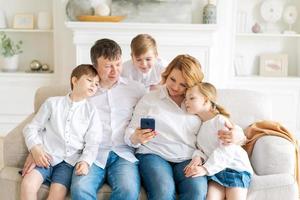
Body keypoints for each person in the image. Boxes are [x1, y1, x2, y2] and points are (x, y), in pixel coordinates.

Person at [125, 54, 246, 200]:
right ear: (167, 74)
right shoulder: (150, 99)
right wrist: (135, 137)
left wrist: (238, 134)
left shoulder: (196, 101)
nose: (175, 87)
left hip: (188, 156)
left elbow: (218, 120)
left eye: (183, 85)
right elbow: (130, 131)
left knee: (196, 191)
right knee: (163, 191)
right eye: (172, 79)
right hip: (153, 154)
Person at [70, 39, 146, 200]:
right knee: (80, 189)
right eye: (107, 66)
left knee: (128, 190)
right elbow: (62, 118)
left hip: (123, 153)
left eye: (118, 64)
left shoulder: (136, 90)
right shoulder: (83, 92)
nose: (115, 71)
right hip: (91, 155)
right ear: (95, 67)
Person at [20, 64, 102, 200]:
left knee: (56, 196)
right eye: (89, 80)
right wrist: (35, 148)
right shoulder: (52, 103)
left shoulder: (92, 111)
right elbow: (31, 128)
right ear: (74, 81)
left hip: (68, 164)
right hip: (45, 156)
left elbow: (93, 142)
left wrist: (85, 161)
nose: (94, 85)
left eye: (97, 84)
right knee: (28, 185)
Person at [184, 82, 253, 200]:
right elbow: (202, 149)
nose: (186, 102)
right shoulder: (200, 127)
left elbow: (227, 149)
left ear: (206, 101)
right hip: (216, 173)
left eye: (191, 98)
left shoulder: (220, 121)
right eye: (185, 99)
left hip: (234, 169)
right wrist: (197, 157)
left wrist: (205, 169)